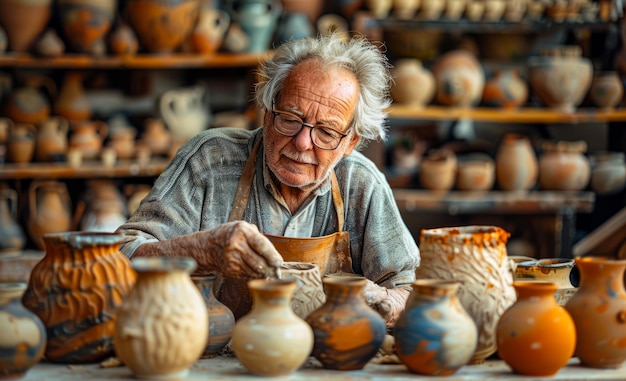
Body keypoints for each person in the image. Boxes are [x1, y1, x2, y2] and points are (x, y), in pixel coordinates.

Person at [116, 33, 420, 326]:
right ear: (266, 112)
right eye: (290, 119)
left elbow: (408, 293)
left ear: (350, 143)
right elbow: (120, 257)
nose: (302, 143)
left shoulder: (361, 184)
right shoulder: (210, 160)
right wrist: (202, 250)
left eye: (326, 132)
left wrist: (382, 301)